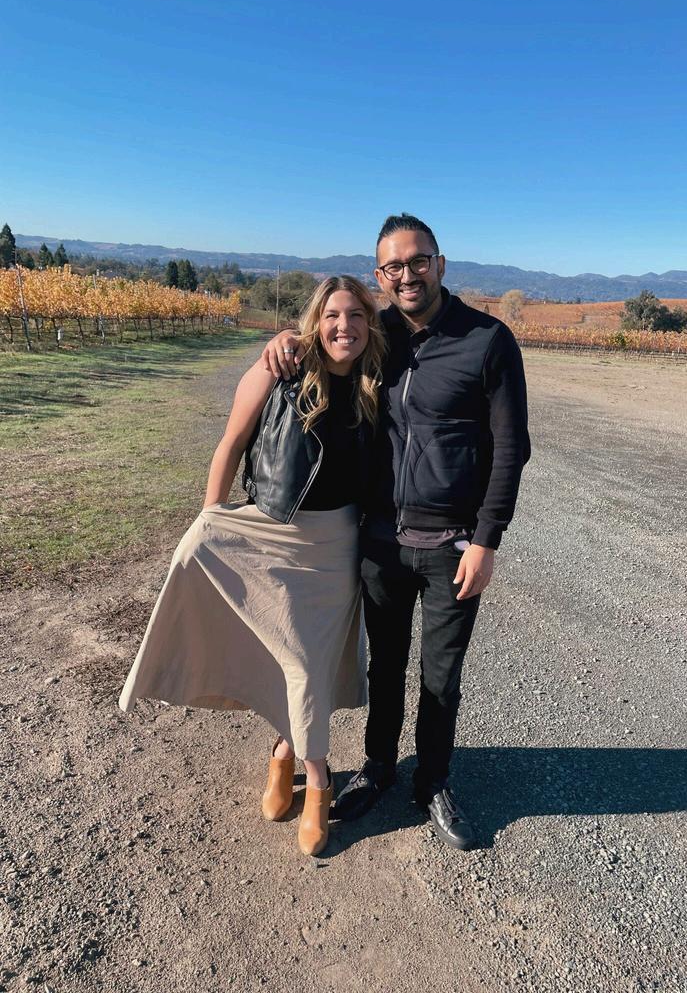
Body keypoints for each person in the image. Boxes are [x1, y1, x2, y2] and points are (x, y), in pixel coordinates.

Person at [263, 214, 530, 850]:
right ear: (380, 275)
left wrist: (487, 540)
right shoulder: (375, 335)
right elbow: (325, 338)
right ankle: (379, 765)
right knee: (384, 666)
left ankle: (432, 780)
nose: (407, 275)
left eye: (418, 261)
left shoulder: (487, 340)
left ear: (440, 264)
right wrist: (284, 341)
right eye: (393, 267)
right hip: (380, 540)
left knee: (441, 674)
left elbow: (511, 447)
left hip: (452, 545)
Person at [119, 275, 385, 856]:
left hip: (336, 547)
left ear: (371, 322)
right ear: (316, 321)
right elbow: (231, 443)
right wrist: (211, 517)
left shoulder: (376, 380)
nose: (344, 326)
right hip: (271, 533)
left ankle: (290, 757)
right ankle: (316, 776)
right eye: (332, 315)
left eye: (356, 315)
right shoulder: (278, 370)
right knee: (287, 655)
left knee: (308, 665)